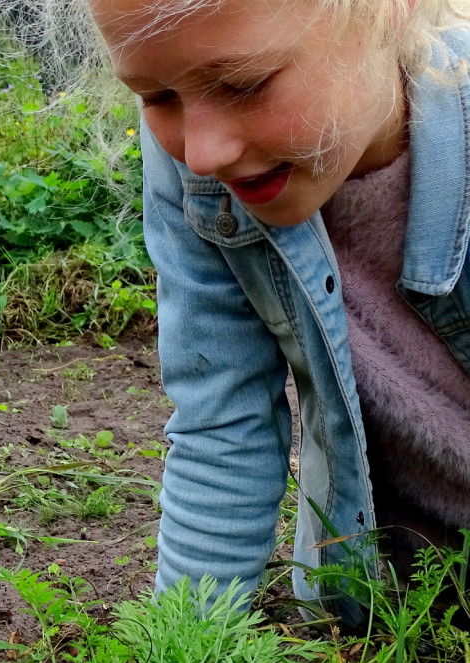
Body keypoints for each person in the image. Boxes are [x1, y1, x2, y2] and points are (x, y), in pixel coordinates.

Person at [89, 0, 470, 623]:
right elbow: (222, 424)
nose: (203, 153)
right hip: (388, 613)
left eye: (245, 83)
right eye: (156, 97)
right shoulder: (199, 167)